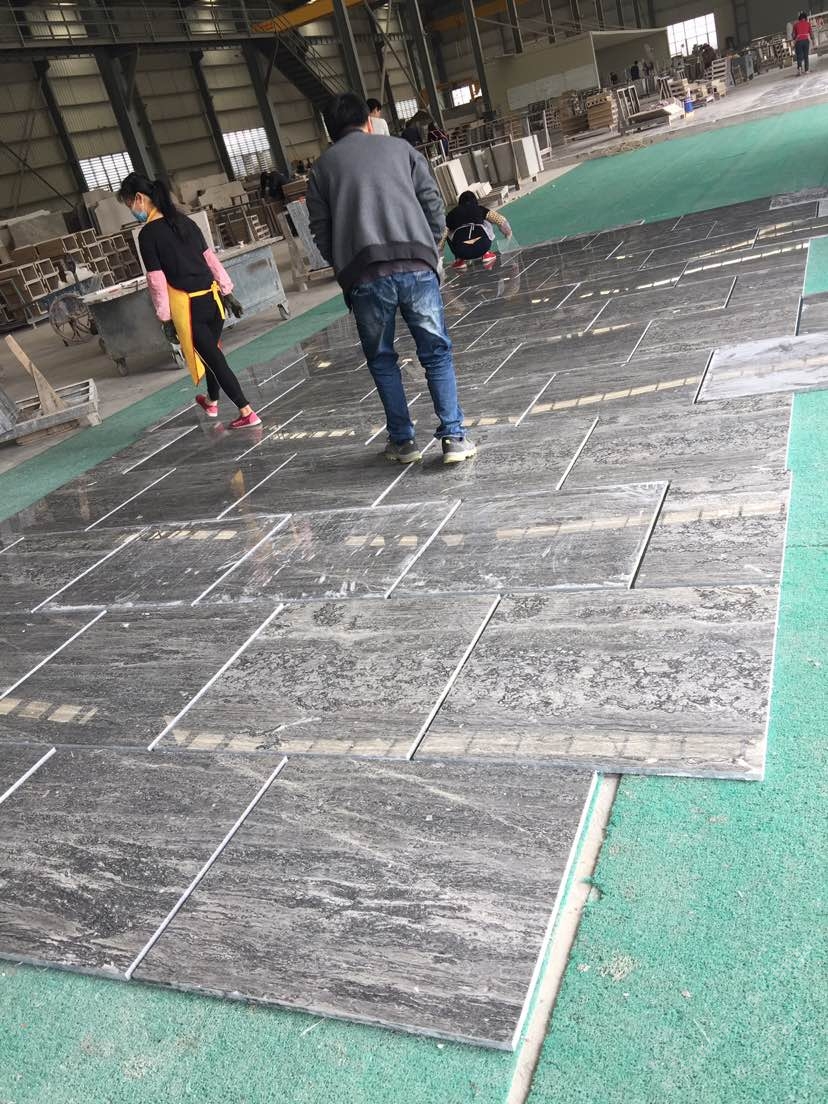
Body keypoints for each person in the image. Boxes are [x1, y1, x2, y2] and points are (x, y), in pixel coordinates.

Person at [307, 92, 475, 465]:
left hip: (365, 275)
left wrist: (344, 265)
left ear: (329, 130)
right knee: (435, 351)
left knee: (382, 359)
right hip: (417, 266)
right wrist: (429, 247)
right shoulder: (402, 150)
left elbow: (320, 231)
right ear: (369, 121)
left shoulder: (321, 170)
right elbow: (433, 203)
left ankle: (403, 442)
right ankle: (453, 437)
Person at [117, 172, 260, 429]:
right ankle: (212, 401)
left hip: (189, 309)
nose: (132, 210)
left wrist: (165, 318)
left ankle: (246, 411)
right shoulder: (185, 222)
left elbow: (157, 281)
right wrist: (227, 291)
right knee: (211, 353)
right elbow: (210, 258)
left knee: (215, 359)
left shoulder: (148, 235)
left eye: (129, 204)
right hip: (213, 301)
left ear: (139, 198)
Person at [444, 191, 512, 271]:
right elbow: (500, 219)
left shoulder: (452, 214)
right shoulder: (480, 209)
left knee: (446, 230)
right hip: (483, 246)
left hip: (461, 251)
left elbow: (442, 234)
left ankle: (459, 261)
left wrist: (439, 253)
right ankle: (486, 254)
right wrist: (508, 233)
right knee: (487, 220)